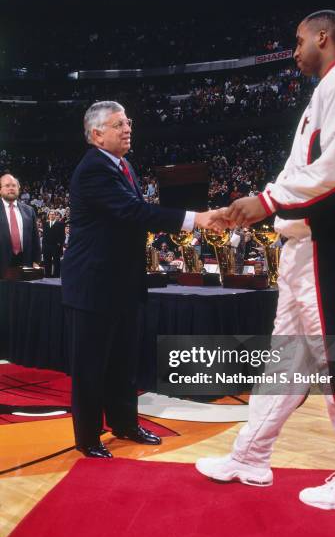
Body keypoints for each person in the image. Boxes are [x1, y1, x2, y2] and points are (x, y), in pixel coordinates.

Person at [196, 10, 335, 510]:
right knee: (285, 361)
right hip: (305, 243)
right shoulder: (324, 91)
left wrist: (269, 200)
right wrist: (253, 206)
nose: (295, 49)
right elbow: (301, 171)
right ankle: (251, 456)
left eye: (299, 41)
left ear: (323, 37)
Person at [62, 100, 220, 458]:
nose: (127, 128)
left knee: (122, 362)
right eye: (118, 124)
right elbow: (132, 212)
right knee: (91, 367)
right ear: (96, 134)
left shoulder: (124, 165)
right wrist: (196, 218)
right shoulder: (93, 169)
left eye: (128, 121)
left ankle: (125, 424)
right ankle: (88, 438)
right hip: (93, 285)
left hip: (122, 282)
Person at [0, 173, 41, 278]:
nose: (11, 188)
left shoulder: (29, 210)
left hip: (25, 263)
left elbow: (35, 238)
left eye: (14, 185)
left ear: (19, 188)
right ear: (0, 190)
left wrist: (36, 261)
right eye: (7, 185)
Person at [42, 210, 65, 277]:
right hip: (47, 246)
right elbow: (44, 236)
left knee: (56, 262)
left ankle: (56, 275)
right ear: (48, 216)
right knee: (47, 261)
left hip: (55, 246)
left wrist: (59, 244)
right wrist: (43, 246)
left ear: (55, 215)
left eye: (53, 214)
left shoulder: (60, 224)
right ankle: (47, 274)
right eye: (50, 214)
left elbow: (62, 236)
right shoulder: (45, 224)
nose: (51, 215)